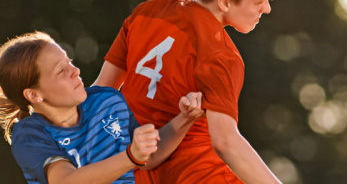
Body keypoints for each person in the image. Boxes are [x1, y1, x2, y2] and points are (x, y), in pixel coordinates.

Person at [93, 0, 290, 183]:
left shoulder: (146, 12)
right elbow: (225, 142)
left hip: (131, 173)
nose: (267, 8)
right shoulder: (222, 55)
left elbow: (100, 95)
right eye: (259, 0)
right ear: (225, 3)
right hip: (198, 175)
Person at [0, 32, 204, 184]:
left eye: (69, 61)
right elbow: (65, 181)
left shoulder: (109, 101)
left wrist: (185, 117)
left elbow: (147, 157)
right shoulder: (29, 135)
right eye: (61, 70)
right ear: (33, 95)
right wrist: (131, 156)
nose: (75, 71)